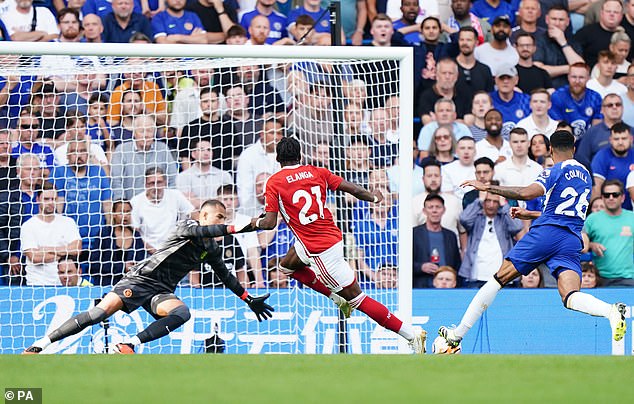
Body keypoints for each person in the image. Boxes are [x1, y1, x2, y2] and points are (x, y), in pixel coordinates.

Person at [438, 130, 627, 351]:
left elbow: (527, 193)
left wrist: (486, 186)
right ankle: (611, 312)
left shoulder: (554, 170)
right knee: (570, 296)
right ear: (574, 149)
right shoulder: (585, 175)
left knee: (499, 278)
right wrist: (532, 215)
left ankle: (457, 335)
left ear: (550, 150)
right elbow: (568, 213)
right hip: (571, 238)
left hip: (547, 233)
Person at [23, 199, 274, 354]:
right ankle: (41, 344)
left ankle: (129, 344)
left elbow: (226, 277)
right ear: (204, 215)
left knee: (182, 313)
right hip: (140, 279)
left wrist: (248, 298)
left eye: (225, 218)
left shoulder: (211, 249)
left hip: (162, 291)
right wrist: (249, 225)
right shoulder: (186, 226)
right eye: (219, 216)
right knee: (99, 313)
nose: (222, 221)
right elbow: (213, 230)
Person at [251, 136, 426, 354]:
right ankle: (336, 297)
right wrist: (374, 198)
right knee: (286, 266)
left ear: (277, 159)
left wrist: (247, 224)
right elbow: (351, 188)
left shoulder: (274, 182)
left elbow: (268, 223)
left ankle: (411, 334)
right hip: (325, 237)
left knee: (357, 299)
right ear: (301, 155)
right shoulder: (317, 172)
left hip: (318, 249)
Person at [458, 187, 524, 288]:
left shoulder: (504, 218)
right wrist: (479, 201)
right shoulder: (476, 217)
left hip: (502, 277)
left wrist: (505, 205)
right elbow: (464, 219)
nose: (491, 205)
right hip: (476, 276)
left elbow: (517, 226)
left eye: (495, 201)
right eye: (488, 200)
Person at [20, 182, 83, 286]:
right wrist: (65, 253)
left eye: (53, 199)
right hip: (37, 284)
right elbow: (35, 257)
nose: (50, 202)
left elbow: (76, 249)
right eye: (46, 199)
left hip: (65, 284)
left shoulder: (68, 222)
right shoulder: (28, 226)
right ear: (38, 200)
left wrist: (47, 249)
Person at [582, 179, 634, 286]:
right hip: (600, 278)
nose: (611, 198)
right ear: (602, 197)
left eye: (615, 194)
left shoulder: (632, 217)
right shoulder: (592, 219)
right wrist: (592, 245)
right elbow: (580, 244)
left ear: (623, 197)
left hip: (628, 277)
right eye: (606, 195)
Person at [131, 167, 194, 253]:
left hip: (173, 249)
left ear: (165, 182)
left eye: (159, 182)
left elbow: (193, 213)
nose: (156, 187)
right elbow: (135, 232)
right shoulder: (136, 201)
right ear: (146, 185)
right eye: (152, 183)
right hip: (146, 251)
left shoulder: (175, 195)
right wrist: (154, 252)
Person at [89, 199, 147, 286]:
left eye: (128, 212)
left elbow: (141, 261)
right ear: (114, 214)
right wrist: (122, 267)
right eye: (121, 212)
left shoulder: (136, 236)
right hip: (106, 283)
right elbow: (94, 265)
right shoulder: (104, 234)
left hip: (131, 284)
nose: (125, 216)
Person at [413, 194, 462, 288]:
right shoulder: (414, 234)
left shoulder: (450, 236)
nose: (434, 210)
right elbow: (404, 263)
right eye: (430, 207)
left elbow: (457, 264)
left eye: (438, 207)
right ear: (424, 211)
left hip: (447, 289)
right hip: (421, 288)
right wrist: (421, 267)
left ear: (444, 210)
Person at [550, 63, 603, 141]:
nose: (577, 81)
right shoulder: (557, 96)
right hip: (564, 142)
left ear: (588, 78)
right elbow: (559, 129)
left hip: (588, 142)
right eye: (574, 77)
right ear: (568, 77)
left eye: (581, 77)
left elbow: (596, 129)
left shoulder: (595, 97)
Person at [575, 93, 624, 171]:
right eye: (610, 105)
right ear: (602, 110)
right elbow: (582, 161)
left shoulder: (631, 131)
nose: (614, 107)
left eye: (618, 104)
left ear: (623, 108)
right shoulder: (591, 133)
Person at [591, 122, 634, 209]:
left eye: (624, 138)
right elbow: (596, 187)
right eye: (616, 139)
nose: (620, 142)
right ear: (610, 140)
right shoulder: (602, 156)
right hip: (609, 212)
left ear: (631, 139)